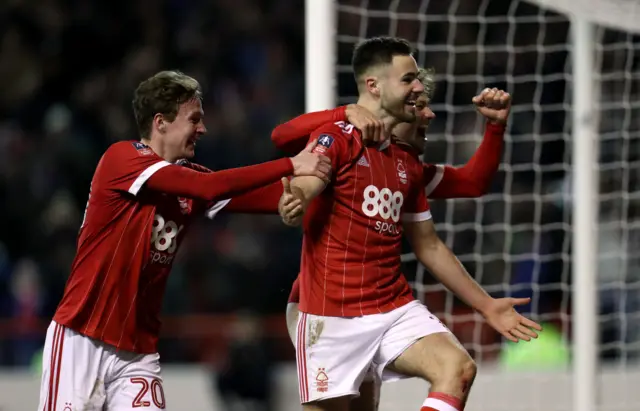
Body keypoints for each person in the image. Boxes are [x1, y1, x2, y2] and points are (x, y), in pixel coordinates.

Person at [37, 70, 330, 411]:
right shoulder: (122, 159)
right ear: (160, 122)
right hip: (82, 339)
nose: (202, 129)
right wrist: (291, 164)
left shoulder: (188, 181)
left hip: (137, 352)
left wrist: (314, 180)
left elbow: (264, 196)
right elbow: (211, 187)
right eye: (194, 119)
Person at [279, 37, 542, 411]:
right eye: (417, 101)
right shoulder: (340, 137)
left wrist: (487, 305)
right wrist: (298, 197)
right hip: (327, 308)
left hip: (389, 305)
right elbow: (300, 166)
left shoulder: (408, 167)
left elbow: (452, 211)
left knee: (459, 368)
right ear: (377, 91)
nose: (428, 113)